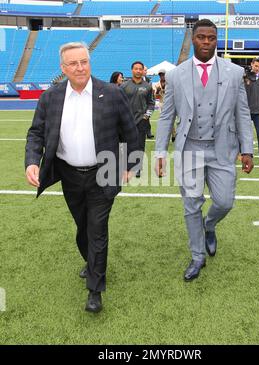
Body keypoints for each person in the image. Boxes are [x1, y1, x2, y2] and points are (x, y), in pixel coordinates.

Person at [25, 42, 139, 313]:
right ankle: (92, 263)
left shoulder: (111, 93)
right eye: (73, 63)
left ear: (90, 63)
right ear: (63, 68)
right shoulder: (50, 97)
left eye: (84, 62)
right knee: (83, 228)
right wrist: (32, 162)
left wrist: (130, 165)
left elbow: (131, 132)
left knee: (97, 228)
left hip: (104, 173)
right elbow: (36, 133)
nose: (79, 68)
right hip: (69, 175)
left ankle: (94, 289)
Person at [155, 19, 254, 282]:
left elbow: (242, 113)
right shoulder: (176, 75)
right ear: (193, 38)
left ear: (216, 39)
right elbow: (166, 117)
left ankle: (209, 225)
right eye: (201, 37)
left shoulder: (234, 72)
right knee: (191, 205)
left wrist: (248, 149)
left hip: (222, 149)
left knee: (224, 202)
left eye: (211, 37)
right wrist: (160, 152)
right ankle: (197, 256)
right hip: (189, 149)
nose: (206, 42)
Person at [121, 61, 155, 177]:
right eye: (136, 69)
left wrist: (147, 115)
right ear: (132, 70)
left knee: (140, 145)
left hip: (141, 121)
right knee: (126, 144)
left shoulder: (147, 86)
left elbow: (151, 103)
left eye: (140, 69)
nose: (138, 71)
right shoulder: (124, 86)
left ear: (142, 71)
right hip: (126, 121)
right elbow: (119, 102)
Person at [153, 69, 176, 142]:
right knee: (163, 121)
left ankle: (173, 134)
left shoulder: (170, 83)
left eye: (163, 74)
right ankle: (165, 136)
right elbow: (156, 97)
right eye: (160, 74)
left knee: (171, 120)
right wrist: (157, 91)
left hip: (170, 104)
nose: (161, 76)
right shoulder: (156, 85)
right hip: (162, 104)